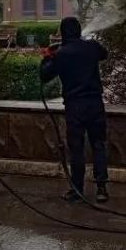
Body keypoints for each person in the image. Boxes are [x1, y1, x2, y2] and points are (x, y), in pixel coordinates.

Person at [40, 16, 110, 203]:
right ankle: (101, 189)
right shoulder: (92, 47)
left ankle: (77, 191)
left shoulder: (60, 54)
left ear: (63, 33)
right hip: (95, 104)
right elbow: (104, 54)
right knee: (98, 144)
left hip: (74, 106)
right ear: (79, 31)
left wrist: (47, 56)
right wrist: (87, 44)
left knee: (76, 149)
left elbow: (44, 76)